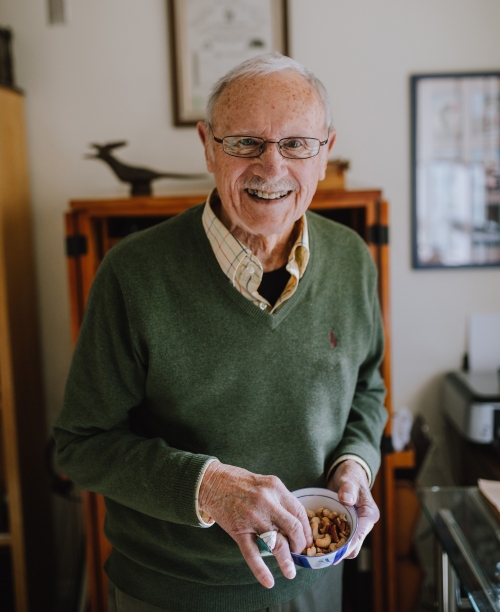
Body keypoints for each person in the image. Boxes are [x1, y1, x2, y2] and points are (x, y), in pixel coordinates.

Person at [54, 53, 387, 612]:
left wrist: (354, 463)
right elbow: (82, 444)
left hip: (314, 585)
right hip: (170, 593)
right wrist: (206, 487)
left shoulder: (354, 258)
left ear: (325, 153)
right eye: (245, 143)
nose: (272, 167)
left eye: (296, 144)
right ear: (209, 146)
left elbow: (368, 393)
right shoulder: (133, 273)